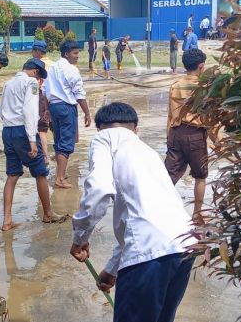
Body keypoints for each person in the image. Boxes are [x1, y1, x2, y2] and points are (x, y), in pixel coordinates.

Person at [70, 102, 196, 322]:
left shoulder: (104, 138)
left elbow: (99, 189)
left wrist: (80, 237)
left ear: (100, 127)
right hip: (185, 246)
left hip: (151, 254)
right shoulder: (146, 152)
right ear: (135, 128)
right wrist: (112, 270)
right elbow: (141, 219)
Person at [0, 58, 67, 231]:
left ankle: (7, 219)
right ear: (36, 72)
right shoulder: (31, 83)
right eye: (40, 76)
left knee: (12, 175)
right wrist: (32, 140)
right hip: (24, 131)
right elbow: (30, 111)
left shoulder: (8, 83)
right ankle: (47, 213)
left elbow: (2, 110)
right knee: (40, 172)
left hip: (8, 131)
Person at [165, 48, 216, 225]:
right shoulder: (205, 88)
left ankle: (160, 209)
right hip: (195, 135)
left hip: (176, 132)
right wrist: (217, 141)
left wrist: (168, 136)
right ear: (201, 66)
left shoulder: (176, 85)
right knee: (200, 176)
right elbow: (210, 118)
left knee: (168, 176)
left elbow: (170, 114)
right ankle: (197, 214)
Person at [45, 40, 91, 189]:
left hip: (54, 107)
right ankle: (59, 178)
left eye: (78, 53)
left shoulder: (52, 68)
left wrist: (47, 110)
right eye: (75, 53)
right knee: (65, 144)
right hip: (66, 108)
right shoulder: (71, 70)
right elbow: (79, 94)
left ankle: (61, 174)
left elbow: (46, 91)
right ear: (66, 54)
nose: (77, 57)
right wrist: (87, 113)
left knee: (59, 141)